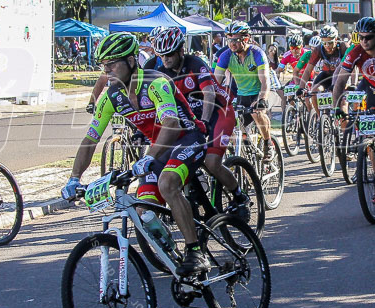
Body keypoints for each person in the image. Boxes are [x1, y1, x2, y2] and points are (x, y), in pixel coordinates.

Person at [62, 32, 211, 275]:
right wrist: (74, 177)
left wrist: (149, 158)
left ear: (131, 61)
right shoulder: (112, 96)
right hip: (159, 147)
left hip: (188, 139)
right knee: (144, 211)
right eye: (103, 65)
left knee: (167, 183)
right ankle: (173, 257)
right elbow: (91, 138)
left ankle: (196, 252)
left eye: (112, 64)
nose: (106, 70)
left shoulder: (156, 82)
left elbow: (171, 125)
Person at [144, 26, 246, 214]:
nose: (165, 60)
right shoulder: (161, 72)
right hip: (192, 118)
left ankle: (239, 196)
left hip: (218, 112)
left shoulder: (195, 63)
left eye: (170, 55)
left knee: (212, 162)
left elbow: (208, 94)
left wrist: (205, 123)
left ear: (181, 51)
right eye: (162, 55)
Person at [213, 22, 272, 159]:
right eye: (229, 40)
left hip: (258, 93)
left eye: (236, 40)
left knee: (257, 113)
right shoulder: (226, 55)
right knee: (231, 126)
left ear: (246, 39)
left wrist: (261, 99)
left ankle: (268, 142)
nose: (232, 43)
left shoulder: (257, 54)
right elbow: (215, 81)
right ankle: (244, 167)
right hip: (241, 95)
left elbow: (265, 81)